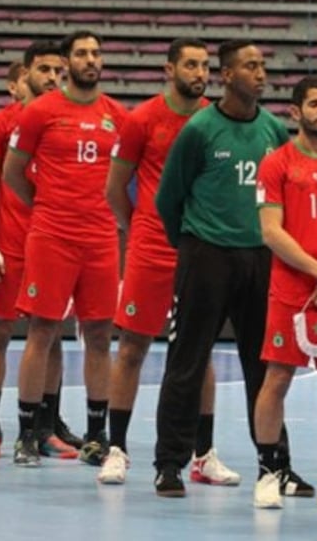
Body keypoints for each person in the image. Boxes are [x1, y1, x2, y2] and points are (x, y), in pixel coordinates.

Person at [152, 39, 309, 499]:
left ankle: (275, 465)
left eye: (263, 65)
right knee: (187, 363)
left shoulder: (272, 131)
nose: (260, 73)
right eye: (250, 66)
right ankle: (170, 463)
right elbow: (168, 199)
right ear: (227, 75)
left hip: (259, 259)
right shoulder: (200, 129)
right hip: (205, 256)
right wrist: (189, 247)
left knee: (266, 368)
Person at [100, 38, 236, 486]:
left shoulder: (217, 120)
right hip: (151, 249)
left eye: (204, 66)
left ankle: (203, 454)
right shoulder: (142, 120)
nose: (200, 73)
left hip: (201, 251)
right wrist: (138, 227)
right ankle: (116, 448)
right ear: (169, 69)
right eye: (191, 65)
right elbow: (115, 189)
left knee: (200, 352)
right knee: (133, 347)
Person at [2, 31, 125, 467]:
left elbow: (126, 175)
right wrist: (46, 207)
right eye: (81, 54)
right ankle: (26, 435)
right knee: (42, 331)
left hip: (101, 238)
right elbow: (13, 174)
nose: (90, 60)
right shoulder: (41, 112)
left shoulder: (116, 115)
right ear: (67, 63)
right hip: (53, 236)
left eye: (96, 53)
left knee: (98, 335)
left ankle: (96, 435)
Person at [252, 77, 317, 509]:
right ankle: (267, 474)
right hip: (293, 287)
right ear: (295, 112)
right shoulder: (276, 164)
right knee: (276, 378)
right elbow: (270, 231)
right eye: (314, 103)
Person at [0, 48, 79, 459]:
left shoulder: (68, 121)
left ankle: (46, 427)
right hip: (9, 245)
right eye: (44, 69)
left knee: (50, 336)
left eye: (58, 70)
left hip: (52, 243)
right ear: (24, 74)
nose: (52, 76)